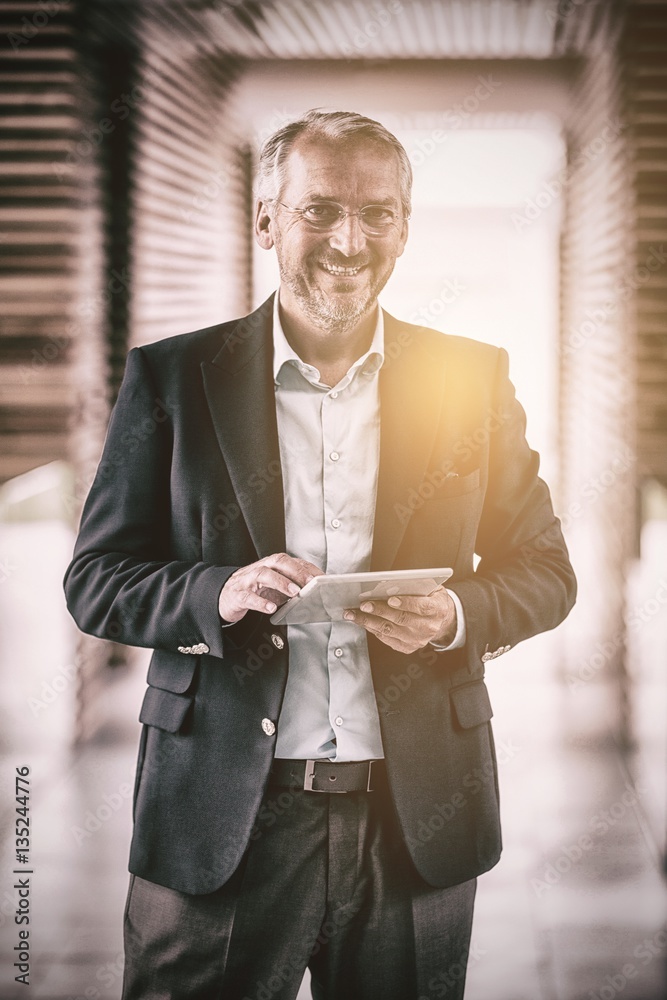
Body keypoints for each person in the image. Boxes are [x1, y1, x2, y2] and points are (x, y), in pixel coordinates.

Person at [64, 108, 576, 1000]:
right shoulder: (176, 378)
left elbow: (544, 570)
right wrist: (216, 591)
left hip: (414, 813)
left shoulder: (473, 380)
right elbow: (98, 582)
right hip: (221, 812)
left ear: (405, 229)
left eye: (378, 214)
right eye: (320, 210)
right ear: (266, 219)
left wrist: (456, 615)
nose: (350, 239)